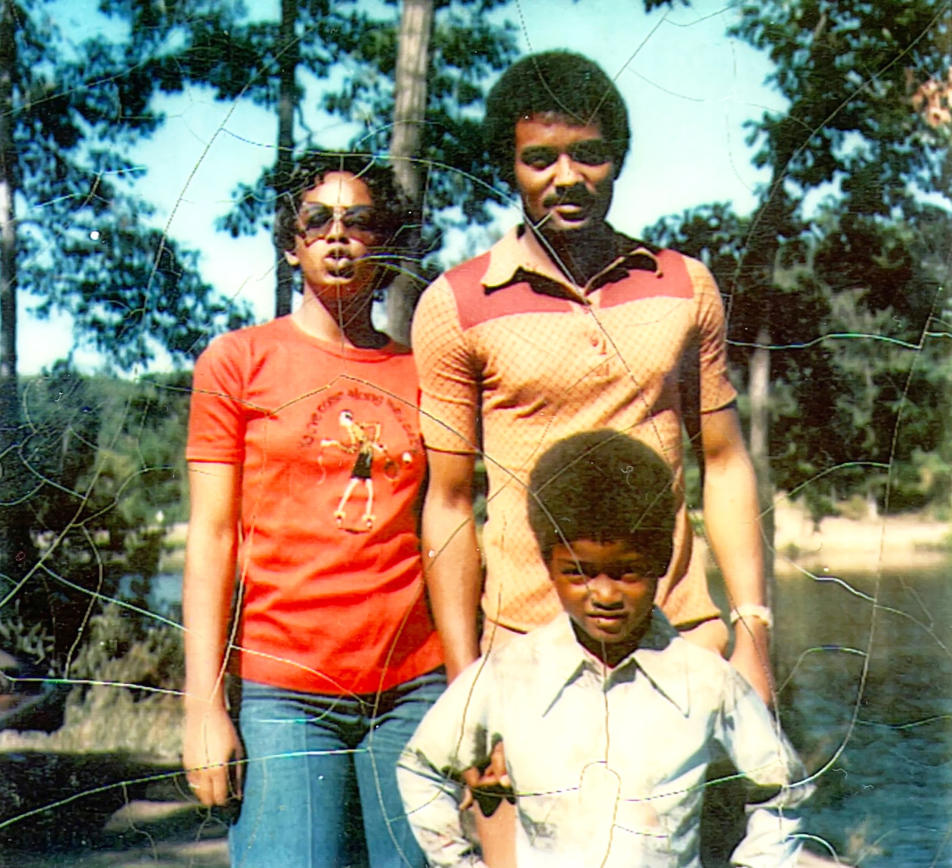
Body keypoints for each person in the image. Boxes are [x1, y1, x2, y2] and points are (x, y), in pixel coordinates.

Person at [412, 50, 773, 702]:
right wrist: (465, 681)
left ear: (620, 159)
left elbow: (724, 463)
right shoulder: (455, 304)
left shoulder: (684, 284)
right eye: (539, 158)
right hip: (524, 650)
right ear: (508, 165)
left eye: (590, 154)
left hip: (680, 640)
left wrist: (752, 632)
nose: (567, 177)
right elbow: (449, 503)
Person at [182, 153, 445, 867]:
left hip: (414, 690)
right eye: (317, 220)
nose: (337, 236)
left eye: (358, 222)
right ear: (291, 242)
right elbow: (211, 539)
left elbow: (446, 526)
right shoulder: (237, 362)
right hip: (285, 694)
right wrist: (203, 706)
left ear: (384, 242)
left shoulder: (421, 372)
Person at [397, 431, 811, 867]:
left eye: (627, 572)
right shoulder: (508, 674)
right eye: (579, 574)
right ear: (548, 566)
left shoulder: (707, 680)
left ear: (661, 561)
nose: (605, 594)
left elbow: (784, 786)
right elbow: (422, 768)